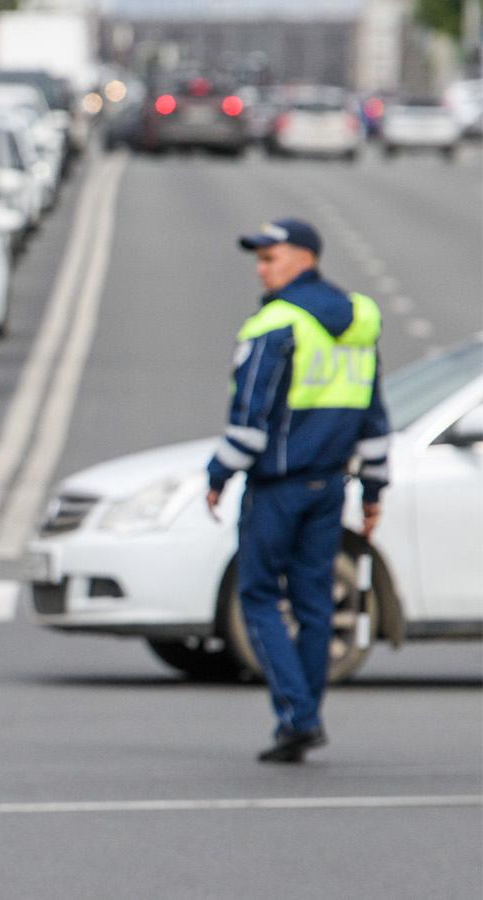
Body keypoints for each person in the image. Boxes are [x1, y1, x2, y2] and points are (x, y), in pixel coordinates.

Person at [205, 218, 390, 764]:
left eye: (272, 257)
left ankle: (299, 717)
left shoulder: (276, 324)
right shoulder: (358, 323)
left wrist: (217, 476)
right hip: (329, 484)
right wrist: (374, 489)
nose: (262, 269)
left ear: (305, 258)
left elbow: (248, 420)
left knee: (259, 596)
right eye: (260, 259)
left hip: (279, 487)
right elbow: (375, 417)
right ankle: (304, 716)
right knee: (312, 603)